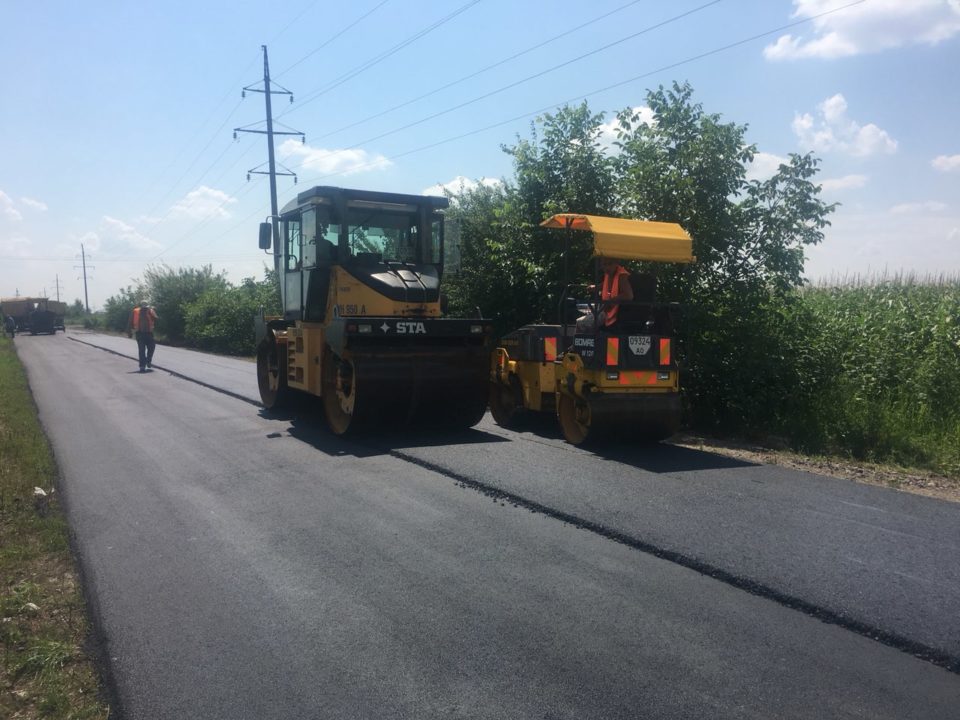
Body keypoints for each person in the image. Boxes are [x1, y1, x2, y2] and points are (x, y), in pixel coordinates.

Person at [576, 257, 634, 333]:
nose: (607, 267)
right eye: (604, 264)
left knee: (580, 322)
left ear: (616, 263)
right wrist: (596, 287)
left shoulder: (621, 276)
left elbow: (629, 295)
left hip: (613, 313)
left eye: (610, 264)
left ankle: (577, 344)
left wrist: (610, 301)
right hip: (605, 309)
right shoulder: (609, 274)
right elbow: (607, 284)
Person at [128, 301, 158, 372]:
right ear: (141, 306)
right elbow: (130, 322)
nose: (144, 308)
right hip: (139, 333)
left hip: (149, 333)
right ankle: (142, 366)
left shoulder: (150, 311)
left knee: (152, 347)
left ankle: (148, 361)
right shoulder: (135, 311)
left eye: (146, 307)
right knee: (141, 350)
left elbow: (156, 319)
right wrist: (129, 332)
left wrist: (152, 313)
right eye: (143, 307)